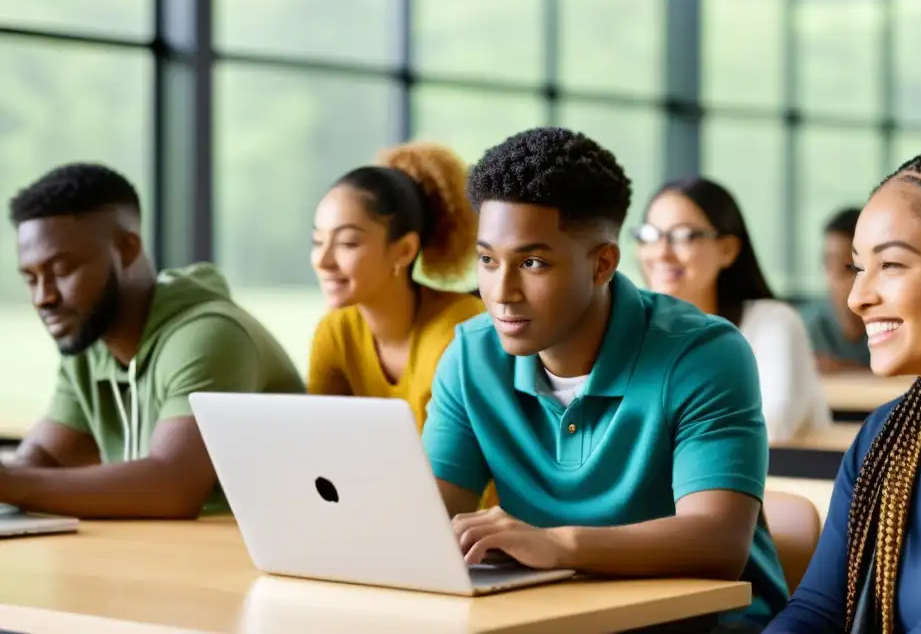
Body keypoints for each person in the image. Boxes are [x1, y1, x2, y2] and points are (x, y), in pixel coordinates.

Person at [421, 128, 789, 632]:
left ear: (603, 264)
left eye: (532, 262)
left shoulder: (705, 354)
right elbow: (426, 523)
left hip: (704, 623)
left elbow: (719, 542)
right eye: (488, 260)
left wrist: (559, 544)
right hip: (551, 618)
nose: (501, 292)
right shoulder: (470, 355)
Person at [765, 147, 921, 634]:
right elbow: (816, 612)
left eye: (892, 265)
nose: (857, 297)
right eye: (860, 268)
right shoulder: (885, 437)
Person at [0, 163, 305, 519]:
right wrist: (13, 477)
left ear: (128, 249)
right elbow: (41, 461)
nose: (43, 297)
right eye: (31, 277)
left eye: (62, 270)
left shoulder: (208, 336)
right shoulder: (89, 343)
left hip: (249, 560)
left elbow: (172, 486)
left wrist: (12, 482)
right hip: (162, 556)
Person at [636, 177, 831, 444]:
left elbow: (772, 427)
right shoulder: (637, 330)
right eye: (649, 235)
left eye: (684, 236)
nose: (661, 252)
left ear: (727, 249)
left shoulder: (773, 322)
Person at [307, 141, 484, 432]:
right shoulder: (336, 332)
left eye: (347, 242)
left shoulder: (462, 330)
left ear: (403, 250)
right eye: (317, 241)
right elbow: (317, 442)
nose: (322, 261)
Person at [799, 208, 871, 374]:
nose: (835, 277)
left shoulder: (895, 325)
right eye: (830, 262)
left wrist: (845, 369)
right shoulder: (807, 326)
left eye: (848, 266)